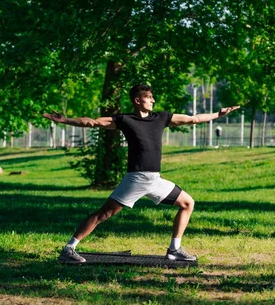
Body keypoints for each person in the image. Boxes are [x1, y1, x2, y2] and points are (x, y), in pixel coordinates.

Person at [43, 85, 239, 264]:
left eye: (153, 97)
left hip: (155, 180)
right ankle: (69, 249)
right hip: (137, 179)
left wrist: (218, 115)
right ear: (138, 100)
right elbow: (92, 123)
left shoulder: (161, 117)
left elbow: (193, 119)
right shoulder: (125, 120)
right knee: (104, 213)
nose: (153, 100)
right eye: (149, 97)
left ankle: (175, 249)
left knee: (187, 203)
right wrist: (65, 120)